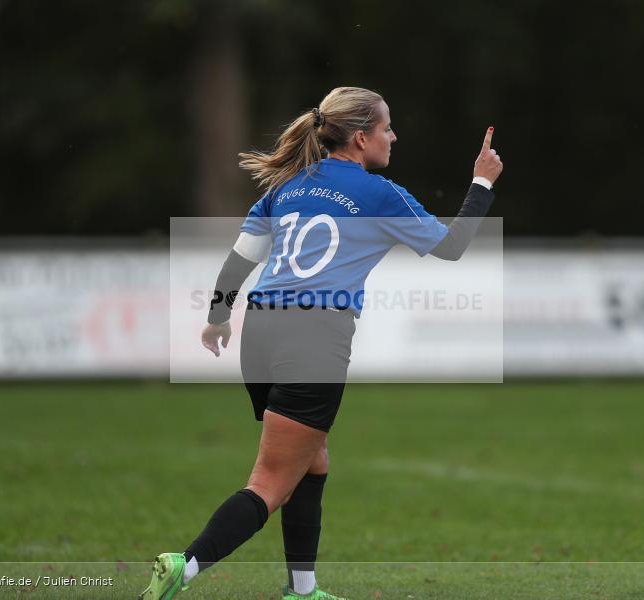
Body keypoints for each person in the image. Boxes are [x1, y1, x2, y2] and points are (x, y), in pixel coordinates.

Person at [139, 86, 503, 599]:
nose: (392, 136)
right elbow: (453, 245)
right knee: (269, 481)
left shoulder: (287, 186)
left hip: (260, 334)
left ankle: (303, 591)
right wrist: (481, 182)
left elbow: (240, 259)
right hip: (313, 339)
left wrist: (217, 317)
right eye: (386, 128)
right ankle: (186, 564)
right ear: (360, 138)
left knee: (313, 458)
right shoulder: (379, 192)